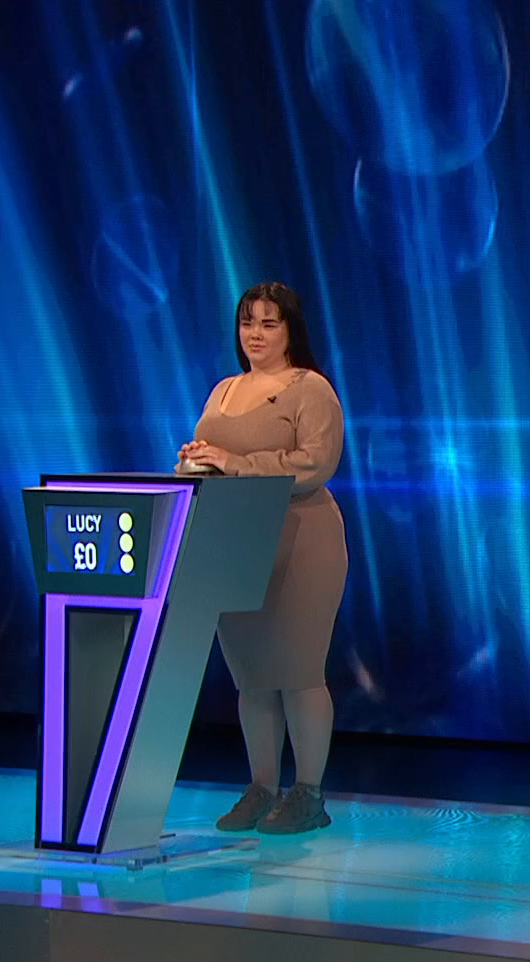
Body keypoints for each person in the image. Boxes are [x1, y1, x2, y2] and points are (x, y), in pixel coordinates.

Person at [178, 282, 348, 835]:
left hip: (300, 539)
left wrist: (234, 462)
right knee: (252, 677)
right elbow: (219, 458)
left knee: (298, 671)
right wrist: (198, 462)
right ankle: (262, 788)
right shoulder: (224, 389)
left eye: (269, 323)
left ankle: (308, 794)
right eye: (247, 322)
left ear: (290, 330)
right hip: (235, 541)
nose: (255, 333)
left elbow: (314, 463)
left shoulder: (310, 389)